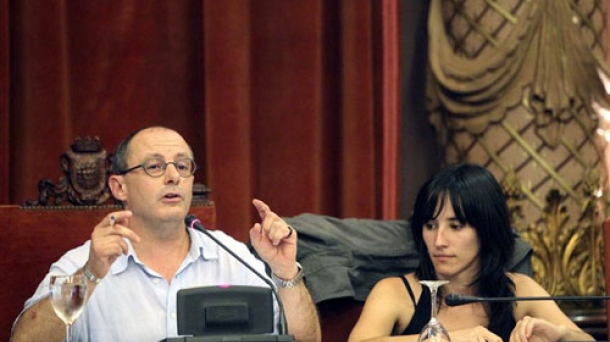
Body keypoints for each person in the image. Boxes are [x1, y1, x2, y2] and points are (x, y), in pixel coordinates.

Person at [11, 126, 321, 342]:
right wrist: (90, 277)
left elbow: (305, 340)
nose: (173, 176)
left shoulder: (234, 257)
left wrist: (284, 272)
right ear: (119, 187)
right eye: (154, 167)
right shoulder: (83, 265)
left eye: (182, 166)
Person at [348, 163, 593, 342]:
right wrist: (449, 339)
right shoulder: (395, 292)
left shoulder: (520, 290)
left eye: (455, 226)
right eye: (430, 226)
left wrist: (560, 336)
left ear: (486, 230)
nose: (439, 241)